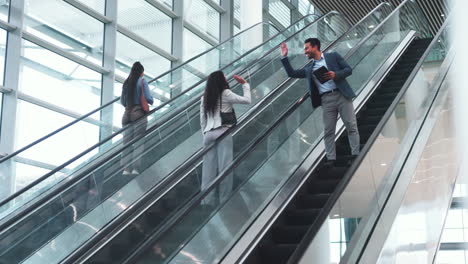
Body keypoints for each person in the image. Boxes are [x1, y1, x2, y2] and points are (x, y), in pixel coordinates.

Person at [280, 38, 360, 166]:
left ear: (315, 47)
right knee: (328, 130)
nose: (305, 51)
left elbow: (348, 69)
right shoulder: (309, 68)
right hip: (326, 100)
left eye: (307, 48)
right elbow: (292, 73)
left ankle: (355, 154)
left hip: (342, 95)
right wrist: (284, 57)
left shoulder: (332, 56)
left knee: (351, 125)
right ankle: (331, 159)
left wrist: (335, 75)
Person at [200, 71, 250, 204]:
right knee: (225, 167)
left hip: (208, 134)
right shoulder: (225, 93)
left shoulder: (205, 97)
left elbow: (202, 119)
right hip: (223, 132)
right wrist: (245, 84)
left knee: (208, 169)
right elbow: (247, 100)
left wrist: (205, 133)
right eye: (224, 77)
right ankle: (224, 199)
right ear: (221, 80)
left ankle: (206, 200)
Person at [121, 61, 154, 175]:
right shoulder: (142, 81)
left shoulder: (126, 83)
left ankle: (125, 169)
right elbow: (149, 99)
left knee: (126, 143)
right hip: (138, 113)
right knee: (138, 142)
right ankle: (135, 168)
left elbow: (122, 101)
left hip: (126, 115)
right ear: (141, 72)